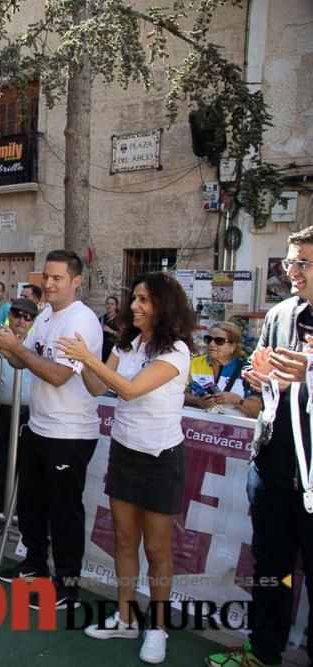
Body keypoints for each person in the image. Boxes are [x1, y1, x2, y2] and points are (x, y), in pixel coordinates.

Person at [56, 271, 196, 665]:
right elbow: (99, 388)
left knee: (156, 548)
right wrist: (79, 361)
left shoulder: (177, 352)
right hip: (124, 451)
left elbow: (131, 390)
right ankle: (124, 617)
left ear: (163, 307)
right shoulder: (129, 342)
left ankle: (158, 627)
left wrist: (88, 359)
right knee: (122, 541)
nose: (135, 306)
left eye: (144, 300)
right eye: (134, 298)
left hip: (160, 459)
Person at [205, 227, 313, 667]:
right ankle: (262, 652)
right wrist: (256, 374)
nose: (292, 271)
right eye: (289, 261)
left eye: (302, 262)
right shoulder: (281, 314)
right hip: (271, 467)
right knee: (272, 569)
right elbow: (258, 367)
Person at [0, 249, 102, 610]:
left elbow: (57, 374)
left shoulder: (81, 321)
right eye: (46, 278)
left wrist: (16, 348)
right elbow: (22, 361)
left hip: (70, 433)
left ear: (76, 282)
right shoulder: (47, 316)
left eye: (57, 279)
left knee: (64, 511)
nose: (49, 285)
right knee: (32, 504)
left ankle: (67, 587)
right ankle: (34, 565)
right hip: (39, 426)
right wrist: (7, 344)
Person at [0, 298, 37, 528]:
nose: (21, 320)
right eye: (17, 314)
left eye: (28, 317)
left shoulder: (36, 343)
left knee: (23, 466)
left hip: (27, 412)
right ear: (9, 315)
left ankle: (19, 513)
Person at [184, 321, 260, 417]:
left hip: (233, 428)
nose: (212, 344)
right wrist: (197, 401)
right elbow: (176, 395)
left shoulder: (246, 371)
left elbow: (257, 410)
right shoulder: (193, 364)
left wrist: (236, 400)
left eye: (219, 341)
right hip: (197, 428)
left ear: (232, 346)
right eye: (208, 339)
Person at [99, 295, 119, 362]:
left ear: (116, 306)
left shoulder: (120, 320)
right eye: (108, 304)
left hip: (114, 354)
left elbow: (124, 336)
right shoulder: (102, 319)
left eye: (112, 304)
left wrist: (110, 331)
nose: (109, 306)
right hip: (102, 352)